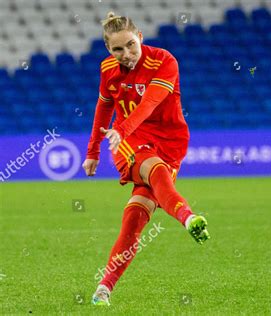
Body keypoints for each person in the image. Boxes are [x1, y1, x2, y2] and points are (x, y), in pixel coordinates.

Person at [82, 12, 210, 306]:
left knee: (135, 217)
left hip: (171, 140)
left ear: (140, 37)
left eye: (130, 45)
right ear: (108, 50)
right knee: (152, 168)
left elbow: (150, 103)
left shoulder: (165, 61)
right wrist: (93, 151)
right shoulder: (108, 70)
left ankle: (104, 288)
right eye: (117, 49)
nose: (126, 54)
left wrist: (121, 128)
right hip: (129, 140)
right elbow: (103, 109)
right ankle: (188, 217)